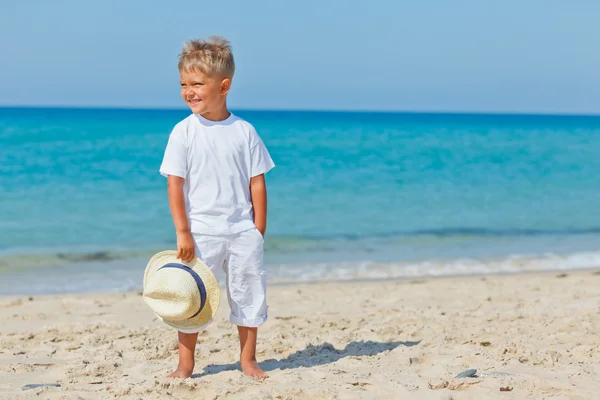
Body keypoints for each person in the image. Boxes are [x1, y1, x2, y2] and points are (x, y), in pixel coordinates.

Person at [159, 36, 275, 381]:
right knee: (192, 297)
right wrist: (183, 231)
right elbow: (174, 184)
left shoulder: (244, 131)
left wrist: (259, 227)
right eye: (183, 84)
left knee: (249, 293)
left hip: (242, 231)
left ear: (223, 86)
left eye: (197, 83)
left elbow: (257, 180)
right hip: (201, 232)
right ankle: (185, 364)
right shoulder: (184, 132)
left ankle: (248, 360)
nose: (188, 91)